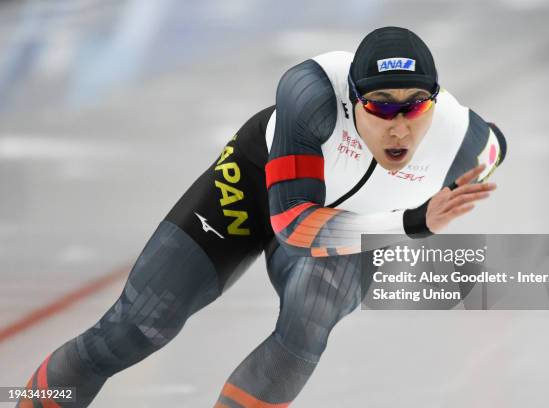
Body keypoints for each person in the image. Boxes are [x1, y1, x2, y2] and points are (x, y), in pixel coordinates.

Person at [17, 26, 506, 407]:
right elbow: (293, 227)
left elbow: (496, 147)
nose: (399, 127)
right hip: (260, 182)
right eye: (380, 107)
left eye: (415, 106)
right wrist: (412, 221)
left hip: (352, 217)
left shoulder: (460, 139)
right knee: (136, 327)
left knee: (311, 317)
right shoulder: (309, 92)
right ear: (352, 98)